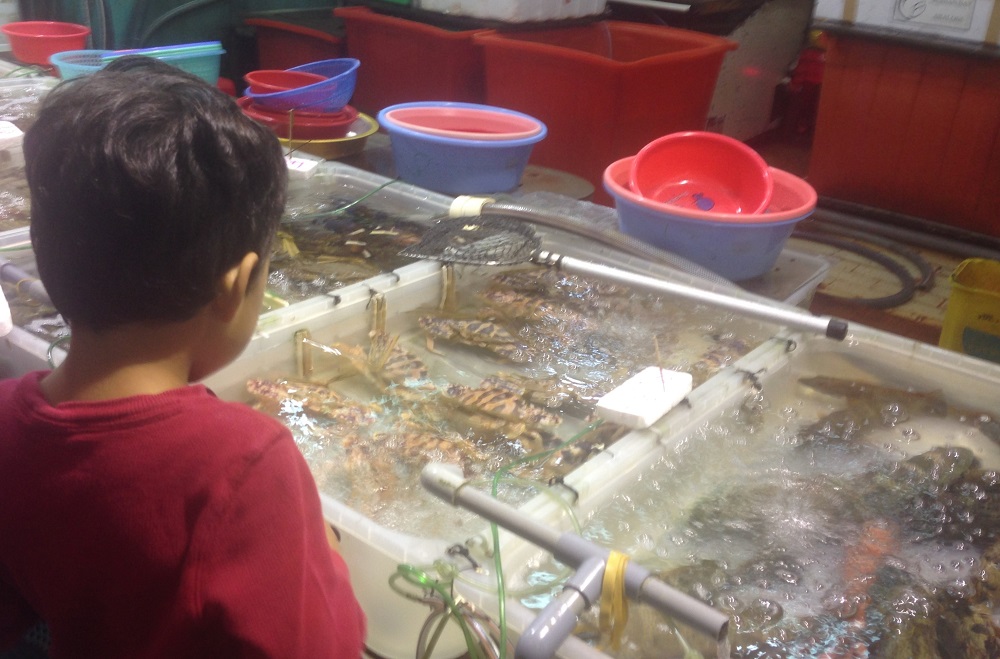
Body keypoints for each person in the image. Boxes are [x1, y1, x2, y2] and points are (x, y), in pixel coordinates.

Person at [0, 57, 366, 658]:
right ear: (237, 286)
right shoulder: (243, 464)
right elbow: (327, 647)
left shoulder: (11, 420)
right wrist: (320, 552)